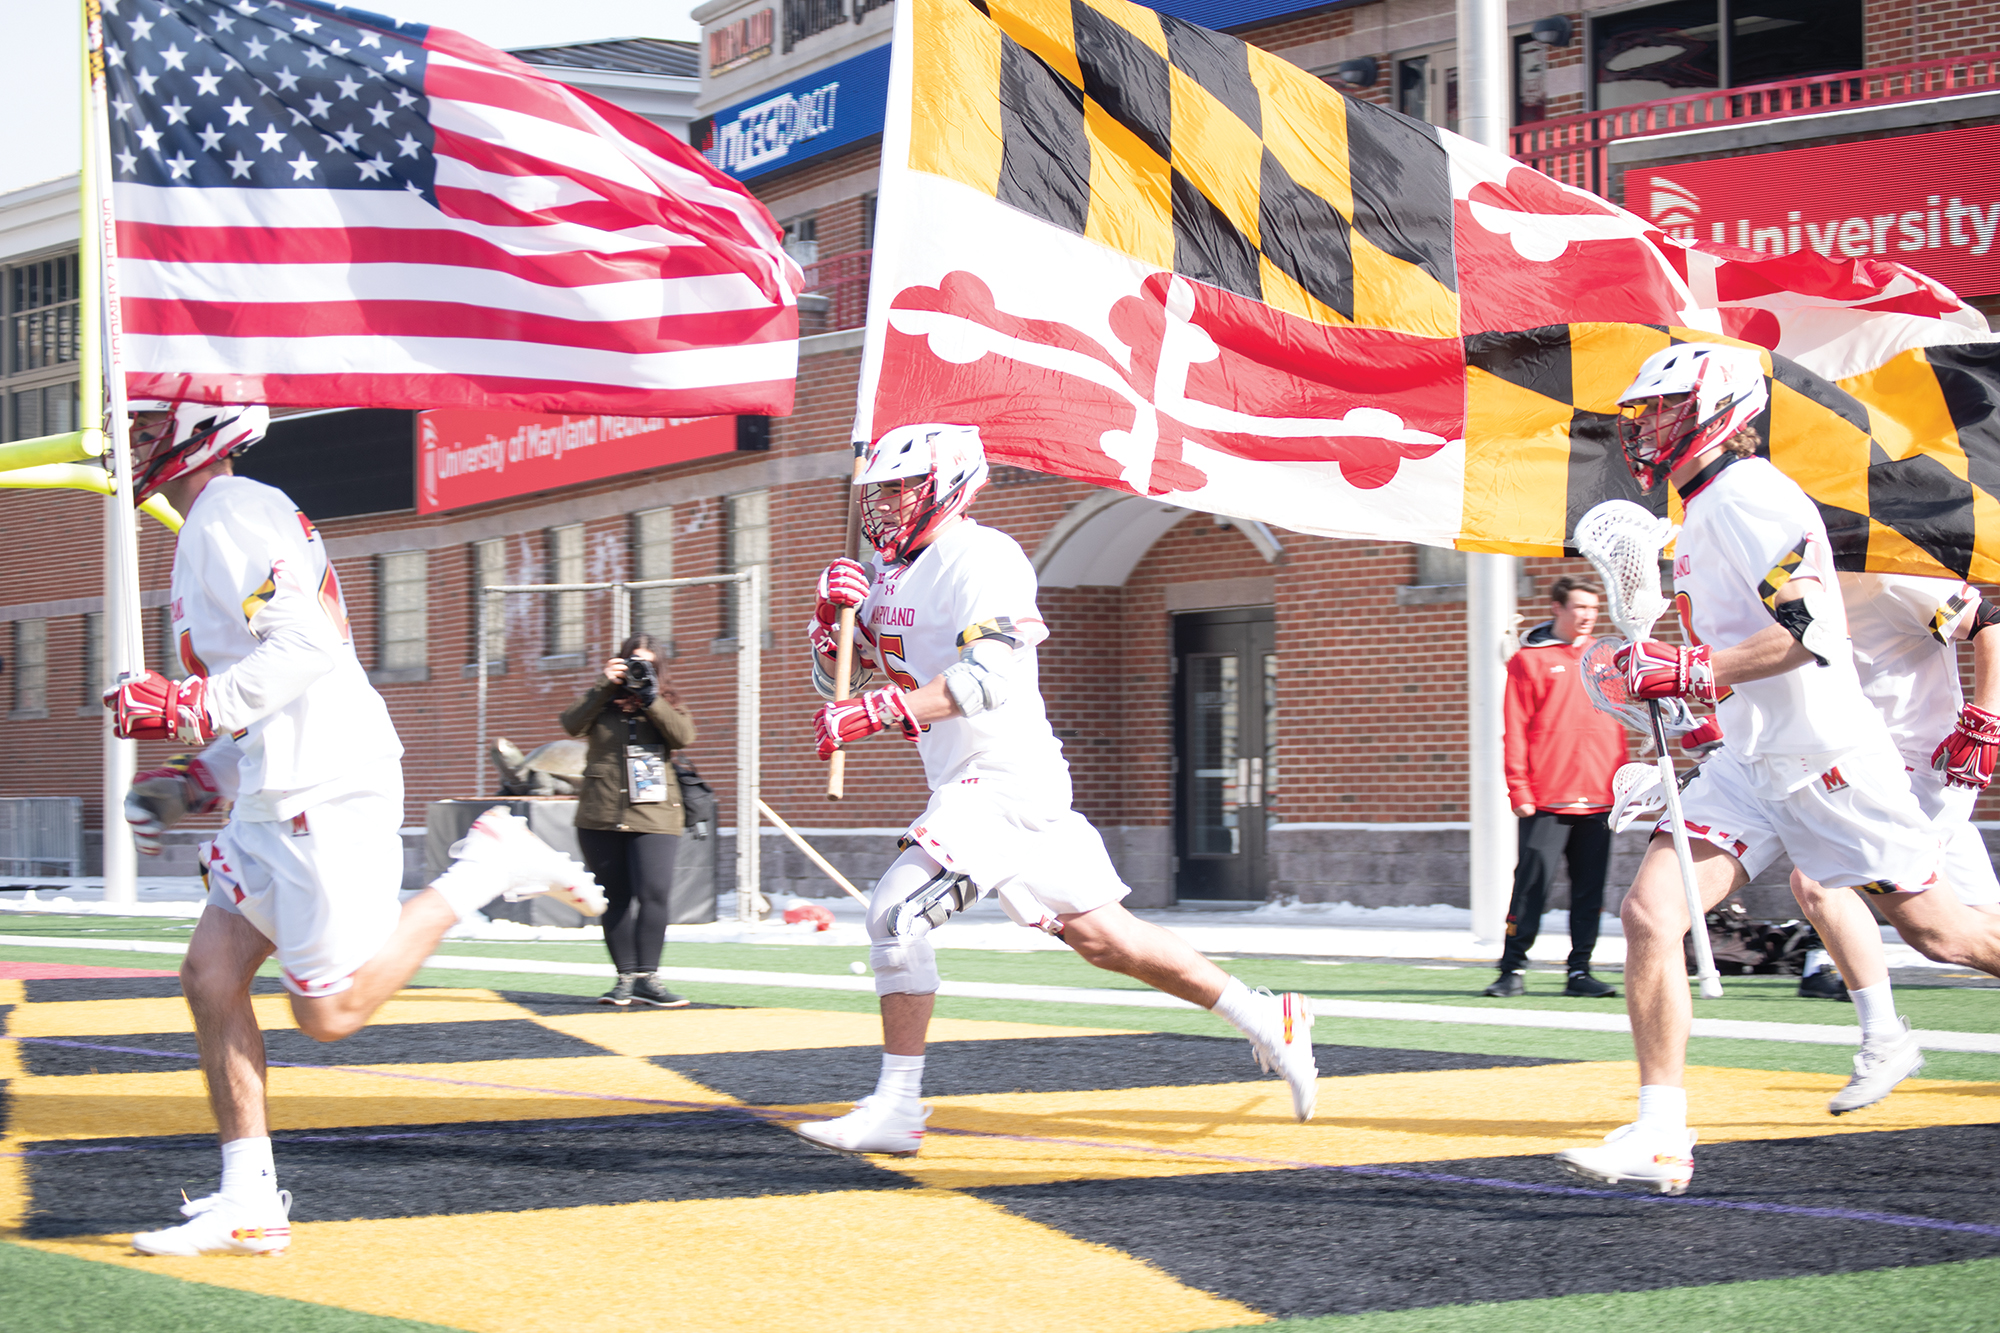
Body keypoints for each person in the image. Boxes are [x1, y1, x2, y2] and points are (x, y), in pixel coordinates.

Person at [105, 400, 607, 1256]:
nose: (138, 438)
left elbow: (303, 649)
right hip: (282, 786)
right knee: (210, 974)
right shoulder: (224, 517)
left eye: (155, 424)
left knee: (329, 1014)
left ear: (201, 428)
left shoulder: (228, 511)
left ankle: (482, 865)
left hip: (325, 788)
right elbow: (282, 678)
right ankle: (249, 1196)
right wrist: (204, 777)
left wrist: (191, 707)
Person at [1547, 343, 2000, 1196]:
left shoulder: (1750, 494)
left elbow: (1809, 632)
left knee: (1944, 934)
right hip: (1756, 762)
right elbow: (1734, 655)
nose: (1643, 424)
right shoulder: (1707, 508)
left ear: (1719, 409)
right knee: (1650, 911)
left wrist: (1690, 673)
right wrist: (1678, 704)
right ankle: (1661, 1132)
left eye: (1662, 406)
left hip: (1829, 759)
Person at [794, 423, 1319, 1154]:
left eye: (898, 488)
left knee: (894, 916)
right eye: (876, 491)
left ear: (946, 483)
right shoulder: (889, 574)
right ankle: (1270, 1016)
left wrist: (879, 710)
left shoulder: (984, 556)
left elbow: (989, 677)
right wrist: (827, 628)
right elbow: (840, 679)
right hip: (982, 781)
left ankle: (899, 1106)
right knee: (1106, 938)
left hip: (1003, 779)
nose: (882, 505)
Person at [1785, 571, 2000, 1107]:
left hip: (1921, 771)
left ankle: (1885, 1037)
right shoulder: (1784, 581)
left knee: (1820, 880)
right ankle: (1885, 1038)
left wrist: (1987, 717)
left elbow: (1991, 621)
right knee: (1973, 928)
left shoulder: (1880, 573)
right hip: (1864, 769)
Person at [1485, 576, 1627, 999]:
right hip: (1546, 799)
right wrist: (1519, 790)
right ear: (1557, 609)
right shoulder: (1529, 662)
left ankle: (1580, 971)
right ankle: (1511, 969)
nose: (1587, 616)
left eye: (1593, 609)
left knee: (1590, 891)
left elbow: (1620, 726)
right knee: (1531, 887)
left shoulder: (1606, 662)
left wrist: (1623, 790)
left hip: (1600, 798)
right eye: (1579, 607)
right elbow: (1515, 730)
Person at [561, 632, 699, 1007]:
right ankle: (624, 978)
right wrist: (604, 684)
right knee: (614, 898)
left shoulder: (667, 702)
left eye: (648, 665)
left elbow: (683, 736)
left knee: (654, 895)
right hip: (600, 814)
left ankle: (649, 979)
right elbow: (571, 724)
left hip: (655, 814)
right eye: (634, 662)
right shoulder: (602, 703)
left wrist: (651, 697)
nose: (641, 670)